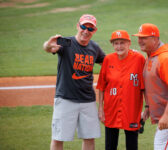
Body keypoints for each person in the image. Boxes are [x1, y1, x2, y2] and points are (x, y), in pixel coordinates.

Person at [43, 14, 105, 150]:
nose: (86, 31)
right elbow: (49, 48)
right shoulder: (67, 42)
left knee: (89, 137)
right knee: (58, 138)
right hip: (66, 99)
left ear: (94, 31)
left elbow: (108, 63)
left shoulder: (95, 47)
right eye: (83, 26)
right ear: (78, 26)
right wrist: (48, 44)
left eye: (90, 29)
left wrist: (129, 55)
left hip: (88, 100)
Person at [97, 30, 146, 150]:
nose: (119, 46)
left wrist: (147, 108)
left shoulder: (139, 59)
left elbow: (145, 87)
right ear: (113, 45)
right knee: (110, 145)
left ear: (129, 43)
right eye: (116, 43)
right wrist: (100, 109)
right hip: (111, 108)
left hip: (131, 109)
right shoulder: (108, 60)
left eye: (122, 43)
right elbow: (102, 86)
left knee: (132, 145)